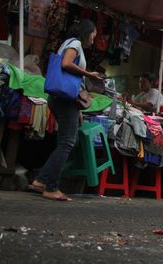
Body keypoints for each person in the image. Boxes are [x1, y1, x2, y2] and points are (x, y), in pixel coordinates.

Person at [29, 19, 102, 201]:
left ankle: (41, 180)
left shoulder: (69, 43)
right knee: (67, 143)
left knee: (70, 141)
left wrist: (77, 110)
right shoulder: (75, 43)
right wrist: (88, 74)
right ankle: (51, 187)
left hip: (64, 100)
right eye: (93, 34)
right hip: (64, 100)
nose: (94, 39)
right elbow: (66, 64)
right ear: (87, 32)